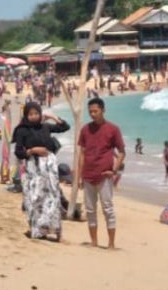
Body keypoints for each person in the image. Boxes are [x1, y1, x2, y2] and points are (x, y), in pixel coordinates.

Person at [13, 101, 70, 241]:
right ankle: (36, 230)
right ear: (26, 115)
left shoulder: (45, 127)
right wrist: (32, 151)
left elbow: (64, 127)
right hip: (33, 167)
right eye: (30, 114)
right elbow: (18, 152)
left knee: (52, 197)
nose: (33, 116)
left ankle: (53, 230)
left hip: (49, 167)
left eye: (36, 113)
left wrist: (52, 117)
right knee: (34, 198)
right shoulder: (22, 130)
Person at [78, 98, 125, 249]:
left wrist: (114, 170)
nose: (93, 114)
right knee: (90, 210)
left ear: (103, 110)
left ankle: (111, 243)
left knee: (108, 209)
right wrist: (79, 175)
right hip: (88, 175)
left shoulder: (113, 129)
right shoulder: (85, 130)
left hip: (104, 176)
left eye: (95, 111)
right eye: (90, 111)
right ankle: (94, 241)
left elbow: (122, 152)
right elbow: (82, 154)